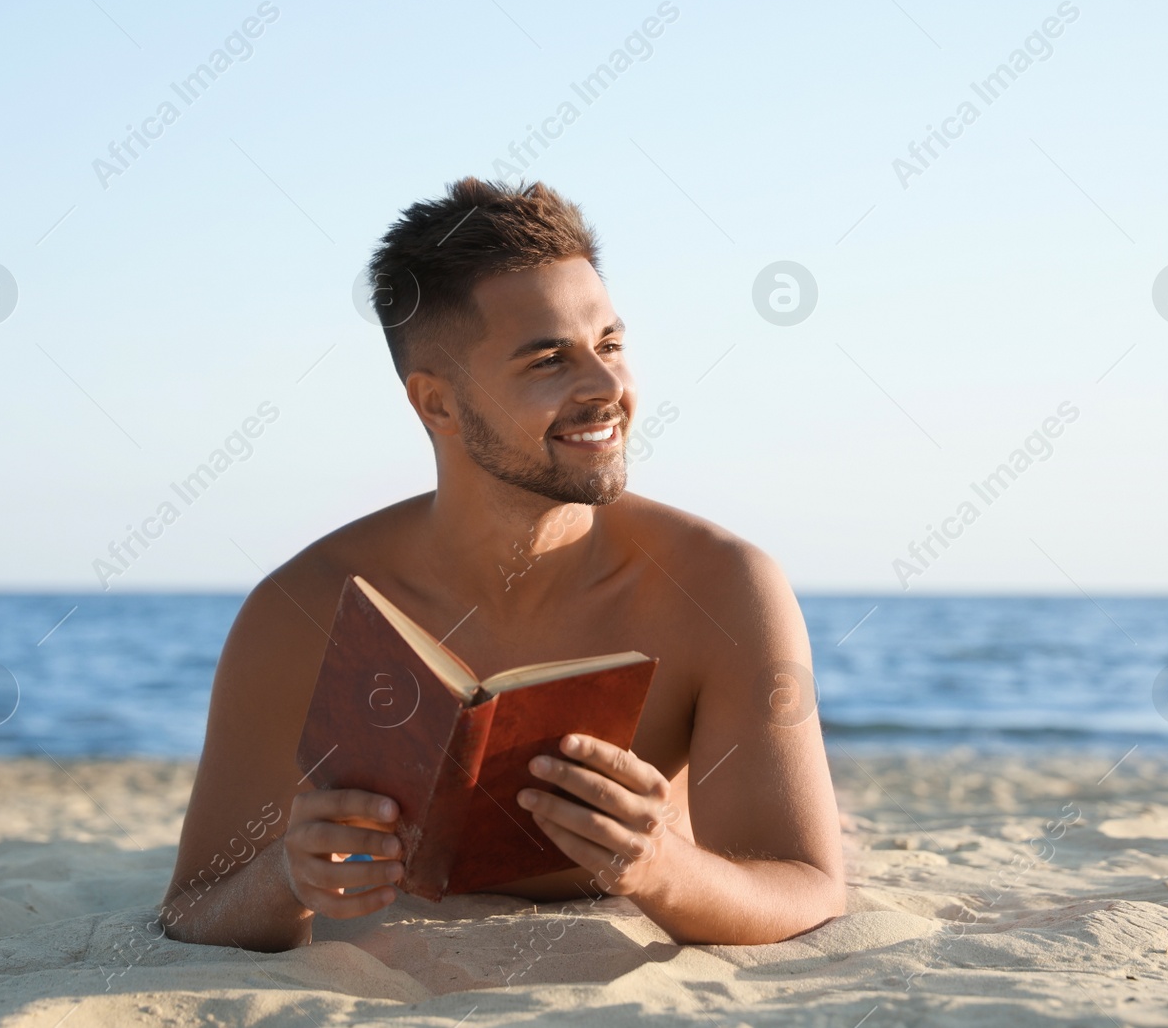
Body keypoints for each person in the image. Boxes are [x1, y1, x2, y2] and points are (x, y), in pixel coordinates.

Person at [163, 178, 844, 950]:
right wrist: (288, 881)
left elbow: (808, 885)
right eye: (549, 360)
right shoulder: (301, 611)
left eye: (611, 344)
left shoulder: (722, 586)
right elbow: (192, 907)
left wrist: (659, 867)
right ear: (439, 406)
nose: (607, 387)